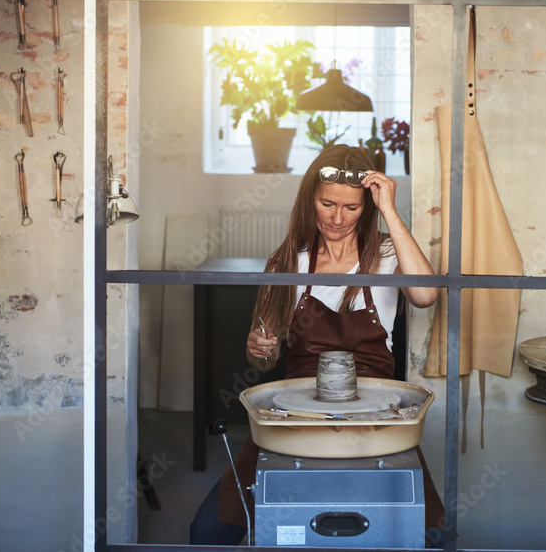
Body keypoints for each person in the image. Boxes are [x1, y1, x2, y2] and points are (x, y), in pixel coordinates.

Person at [189, 144, 443, 546]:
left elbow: (426, 296)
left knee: (425, 533)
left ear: (369, 206)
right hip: (297, 414)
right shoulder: (290, 261)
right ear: (310, 198)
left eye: (352, 208)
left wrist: (391, 211)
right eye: (327, 204)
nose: (338, 219)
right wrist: (261, 347)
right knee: (208, 531)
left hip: (375, 415)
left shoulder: (389, 253)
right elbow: (267, 357)